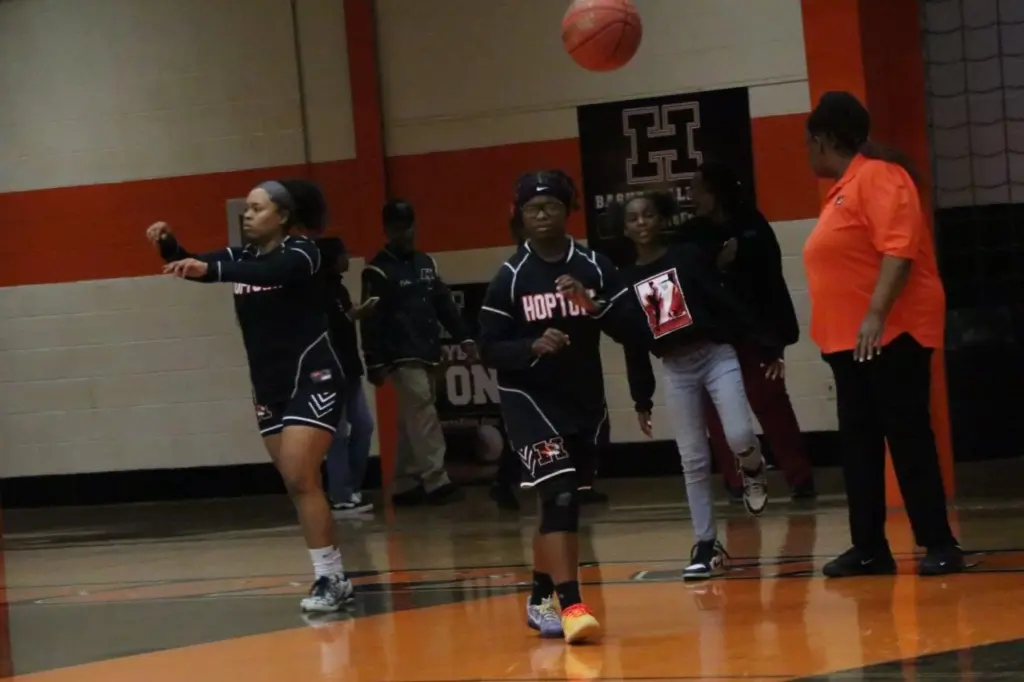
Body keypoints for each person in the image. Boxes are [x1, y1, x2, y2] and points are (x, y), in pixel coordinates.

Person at [146, 179, 354, 612]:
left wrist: (214, 271)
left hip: (312, 378)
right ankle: (331, 573)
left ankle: (331, 577)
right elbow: (195, 263)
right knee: (297, 484)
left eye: (257, 209)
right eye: (246, 208)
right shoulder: (241, 258)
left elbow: (268, 272)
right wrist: (169, 245)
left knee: (300, 475)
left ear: (283, 216)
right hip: (268, 387)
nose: (247, 215)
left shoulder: (303, 253)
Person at [802, 90, 965, 577]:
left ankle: (939, 542)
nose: (808, 152)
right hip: (850, 343)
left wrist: (875, 314)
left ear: (823, 139)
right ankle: (870, 547)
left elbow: (899, 249)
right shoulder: (845, 186)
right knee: (860, 446)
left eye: (809, 142)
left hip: (892, 334)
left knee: (908, 436)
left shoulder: (879, 176)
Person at [478, 170, 632, 644]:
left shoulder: (594, 266)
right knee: (560, 493)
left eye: (550, 206)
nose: (541, 214)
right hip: (529, 400)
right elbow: (488, 348)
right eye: (532, 208)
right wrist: (531, 345)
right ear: (520, 216)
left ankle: (540, 595)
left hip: (581, 399)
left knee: (561, 502)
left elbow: (633, 327)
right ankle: (573, 606)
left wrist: (591, 305)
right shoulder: (510, 277)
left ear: (568, 211)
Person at [611, 191, 770, 581]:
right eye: (633, 218)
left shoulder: (686, 257)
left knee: (738, 434)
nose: (642, 222)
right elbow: (634, 343)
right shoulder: (627, 280)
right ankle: (705, 543)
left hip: (715, 356)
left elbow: (726, 301)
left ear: (661, 219)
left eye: (648, 214)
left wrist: (764, 345)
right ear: (625, 228)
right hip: (676, 369)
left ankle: (753, 466)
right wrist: (641, 398)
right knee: (693, 460)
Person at [685, 162, 816, 501]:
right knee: (717, 411)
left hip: (755, 333)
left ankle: (799, 477)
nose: (692, 195)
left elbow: (773, 282)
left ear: (715, 191)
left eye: (698, 188)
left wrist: (779, 338)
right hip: (713, 337)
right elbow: (688, 284)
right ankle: (736, 481)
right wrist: (718, 265)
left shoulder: (752, 225)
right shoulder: (692, 233)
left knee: (770, 401)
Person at [360, 199, 474, 506]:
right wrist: (373, 361)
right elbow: (370, 320)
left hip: (427, 350)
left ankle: (404, 482)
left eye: (409, 226)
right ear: (387, 230)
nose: (406, 233)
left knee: (410, 417)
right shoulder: (377, 271)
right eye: (399, 227)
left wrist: (464, 336)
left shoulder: (426, 263)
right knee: (424, 411)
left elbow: (444, 303)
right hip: (400, 354)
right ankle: (437, 480)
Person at [314, 235, 377, 514]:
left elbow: (344, 320)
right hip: (327, 371)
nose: (348, 257)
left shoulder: (339, 289)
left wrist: (355, 314)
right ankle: (340, 495)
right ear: (333, 259)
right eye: (343, 254)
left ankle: (351, 487)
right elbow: (330, 327)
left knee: (363, 425)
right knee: (337, 433)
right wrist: (354, 315)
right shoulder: (317, 291)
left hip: (349, 368)